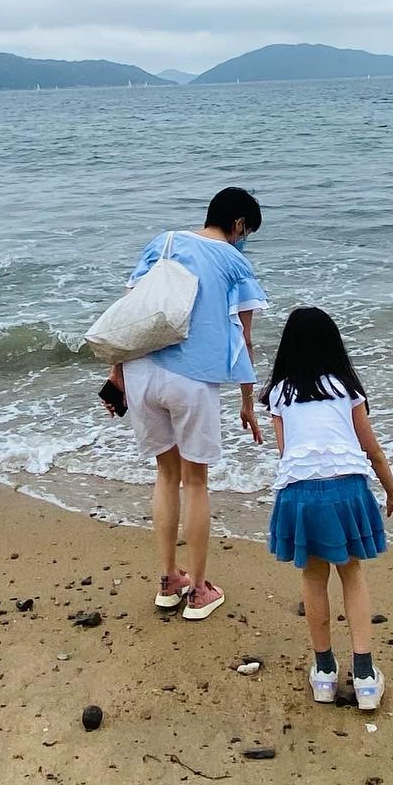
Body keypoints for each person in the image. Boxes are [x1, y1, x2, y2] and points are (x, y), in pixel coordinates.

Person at [103, 187, 266, 621]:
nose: (245, 238)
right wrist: (248, 400)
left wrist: (116, 374)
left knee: (165, 474)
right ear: (238, 224)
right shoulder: (235, 261)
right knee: (195, 481)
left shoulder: (164, 242)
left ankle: (168, 579)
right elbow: (244, 339)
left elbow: (132, 310)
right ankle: (198, 590)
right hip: (191, 377)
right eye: (247, 230)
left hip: (140, 369)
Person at [263, 306, 393, 711]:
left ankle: (324, 674)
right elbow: (373, 449)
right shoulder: (345, 388)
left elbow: (287, 454)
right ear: (333, 344)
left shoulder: (280, 393)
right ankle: (365, 676)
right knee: (352, 573)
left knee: (314, 577)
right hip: (347, 489)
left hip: (300, 493)